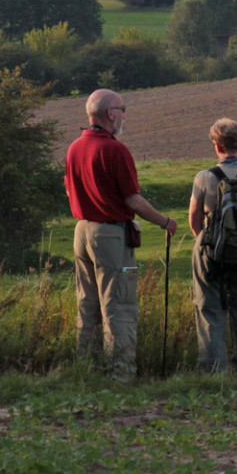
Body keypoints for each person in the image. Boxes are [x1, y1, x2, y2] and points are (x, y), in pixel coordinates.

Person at [63, 88, 178, 381]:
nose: (125, 115)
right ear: (110, 114)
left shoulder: (75, 147)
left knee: (87, 304)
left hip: (82, 232)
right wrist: (165, 222)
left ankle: (85, 369)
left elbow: (69, 188)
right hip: (112, 237)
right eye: (123, 109)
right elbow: (133, 201)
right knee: (120, 304)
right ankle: (121, 374)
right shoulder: (116, 150)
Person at [188, 118, 237, 373]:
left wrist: (208, 243)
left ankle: (213, 371)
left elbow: (194, 220)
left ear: (216, 145)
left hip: (210, 255)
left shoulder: (203, 178)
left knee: (210, 312)